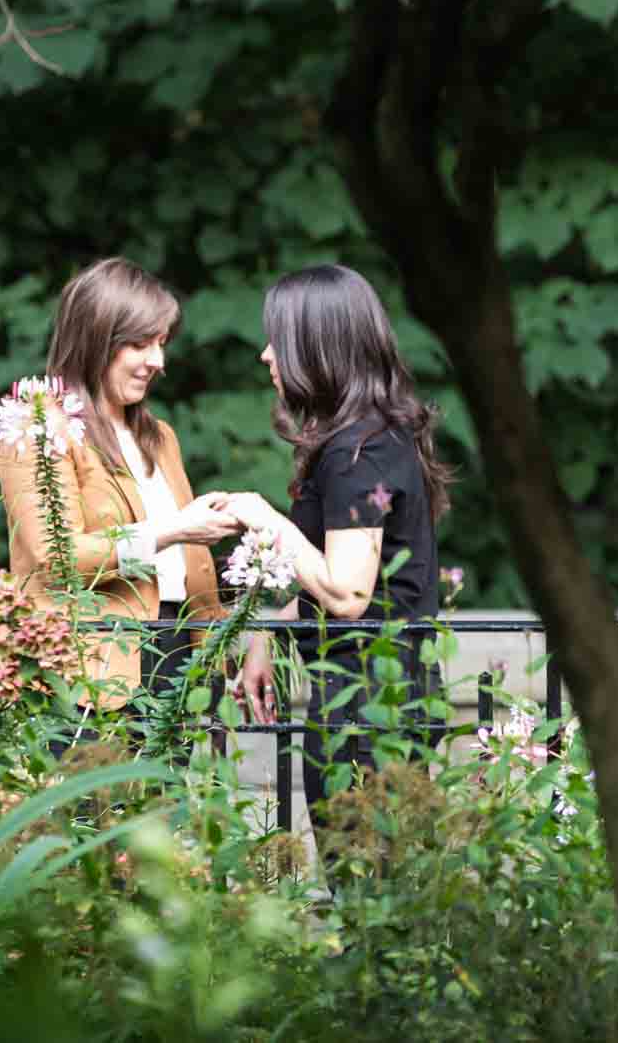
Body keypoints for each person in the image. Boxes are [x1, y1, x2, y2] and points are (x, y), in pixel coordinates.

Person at [227, 264, 453, 850]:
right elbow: (368, 589)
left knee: (372, 900)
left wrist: (264, 518)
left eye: (277, 339)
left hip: (367, 709)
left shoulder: (362, 450)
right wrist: (270, 635)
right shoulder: (367, 438)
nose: (265, 355)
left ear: (315, 345)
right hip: (375, 698)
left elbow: (350, 594)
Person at [0, 258, 241, 742]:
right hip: (92, 668)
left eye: (162, 343)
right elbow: (58, 558)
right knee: (96, 815)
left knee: (166, 814)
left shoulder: (159, 436)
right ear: (95, 339)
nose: (158, 361)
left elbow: (190, 567)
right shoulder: (41, 428)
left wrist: (221, 654)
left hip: (178, 652)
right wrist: (174, 529)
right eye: (139, 343)